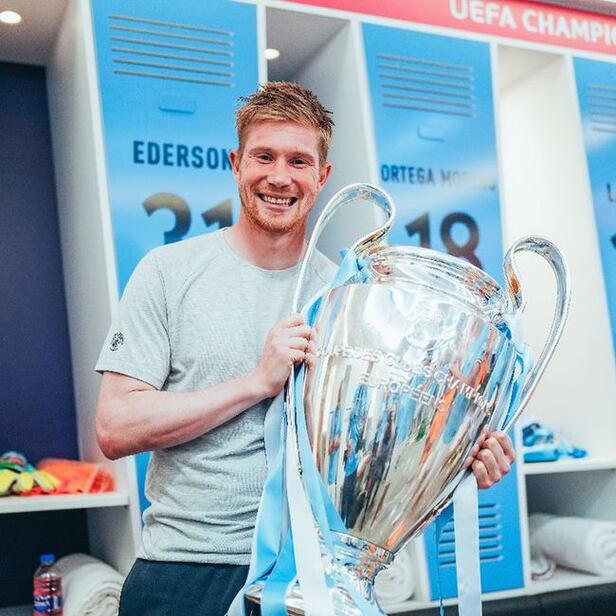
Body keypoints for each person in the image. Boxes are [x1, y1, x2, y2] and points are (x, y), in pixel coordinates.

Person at [94, 81, 515, 616]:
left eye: (298, 161)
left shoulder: (350, 298)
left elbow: (374, 447)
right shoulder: (167, 272)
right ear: (236, 164)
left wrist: (457, 456)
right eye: (263, 157)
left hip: (310, 577)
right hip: (185, 573)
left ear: (323, 176)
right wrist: (255, 383)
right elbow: (116, 428)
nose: (279, 176)